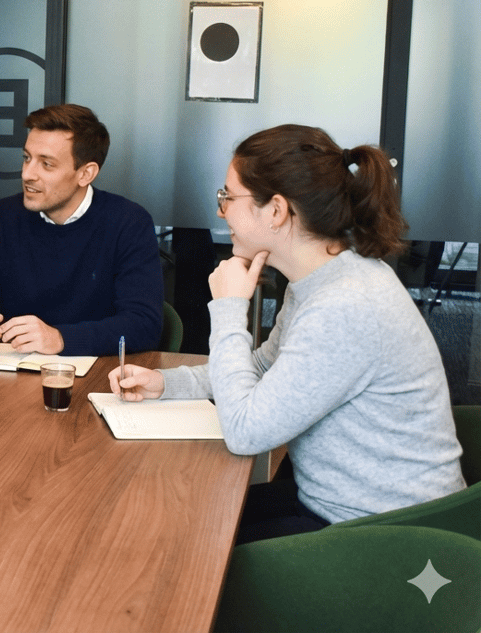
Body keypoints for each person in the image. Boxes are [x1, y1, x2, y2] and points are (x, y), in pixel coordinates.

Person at [110, 124, 465, 543]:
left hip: (386, 536)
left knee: (182, 541)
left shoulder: (344, 306)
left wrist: (228, 309)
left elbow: (246, 433)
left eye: (228, 198)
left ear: (276, 210)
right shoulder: (322, 279)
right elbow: (261, 367)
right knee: (176, 514)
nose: (220, 212)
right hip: (334, 506)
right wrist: (168, 383)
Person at [0, 104, 163, 356]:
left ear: (85, 174)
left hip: (100, 375)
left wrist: (60, 338)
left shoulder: (129, 222)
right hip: (15, 375)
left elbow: (144, 324)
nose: (28, 174)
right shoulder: (0, 218)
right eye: (27, 158)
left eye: (47, 164)